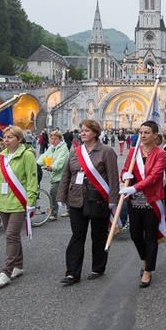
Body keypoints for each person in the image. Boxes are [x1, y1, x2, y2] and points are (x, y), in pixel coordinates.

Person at [56, 120, 120, 284]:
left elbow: (113, 178)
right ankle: (72, 273)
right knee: (77, 235)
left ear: (95, 133)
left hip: (98, 199)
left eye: (86, 131)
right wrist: (61, 197)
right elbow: (66, 176)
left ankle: (98, 267)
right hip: (76, 199)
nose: (82, 133)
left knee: (98, 236)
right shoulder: (75, 152)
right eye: (81, 131)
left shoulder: (106, 151)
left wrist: (113, 200)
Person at [0, 125, 38, 288]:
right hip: (2, 201)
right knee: (12, 235)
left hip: (19, 202)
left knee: (11, 236)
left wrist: (31, 201)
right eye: (4, 137)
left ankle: (6, 272)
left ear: (19, 140)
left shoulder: (27, 156)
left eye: (10, 137)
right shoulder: (0, 157)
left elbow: (31, 180)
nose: (6, 140)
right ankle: (18, 265)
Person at [119, 121, 166, 288]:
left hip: (151, 200)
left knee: (150, 237)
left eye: (147, 132)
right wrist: (125, 176)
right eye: (141, 132)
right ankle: (145, 258)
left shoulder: (160, 154)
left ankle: (148, 270)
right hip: (134, 200)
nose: (143, 136)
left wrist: (135, 187)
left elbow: (154, 176)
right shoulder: (133, 152)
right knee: (135, 235)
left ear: (155, 135)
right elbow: (125, 170)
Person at [42, 130, 70, 221]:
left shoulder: (63, 149)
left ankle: (53, 213)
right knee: (65, 192)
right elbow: (44, 157)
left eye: (56, 139)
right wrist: (35, 164)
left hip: (63, 174)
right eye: (52, 138)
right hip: (56, 175)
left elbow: (60, 161)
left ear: (60, 139)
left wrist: (52, 167)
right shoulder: (51, 148)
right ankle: (70, 209)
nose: (53, 141)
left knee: (53, 191)